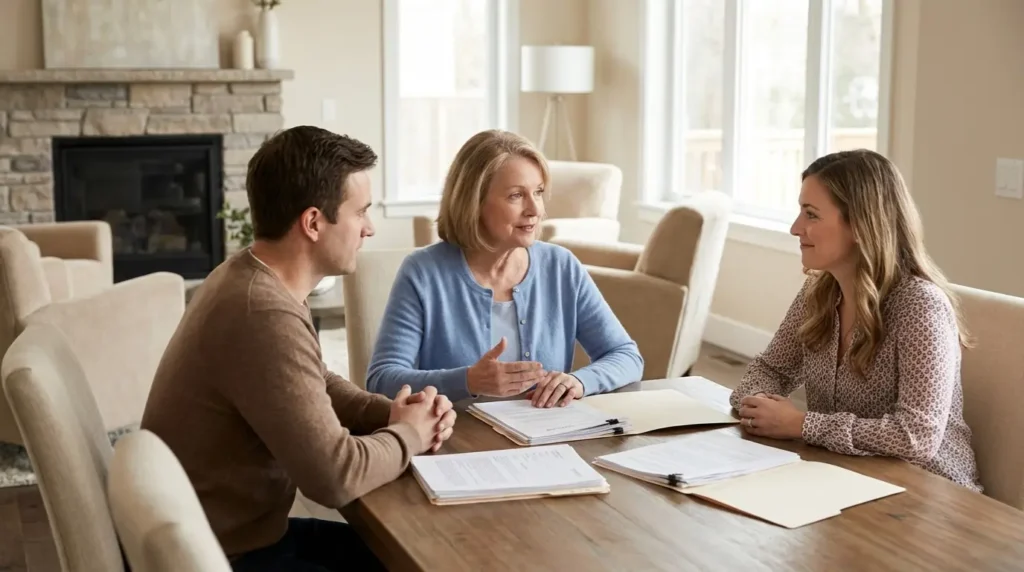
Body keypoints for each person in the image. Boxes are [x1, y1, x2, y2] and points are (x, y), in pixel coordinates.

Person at [141, 125, 457, 572]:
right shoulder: (262, 312)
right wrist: (411, 435)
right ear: (312, 223)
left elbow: (314, 380)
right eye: (360, 212)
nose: (369, 228)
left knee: (414, 554)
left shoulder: (250, 277)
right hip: (226, 557)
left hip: (238, 536)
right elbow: (334, 476)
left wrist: (387, 414)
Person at [730, 149, 981, 491]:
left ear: (862, 225)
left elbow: (915, 438)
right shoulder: (818, 292)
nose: (795, 228)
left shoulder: (920, 306)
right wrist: (761, 407)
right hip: (843, 476)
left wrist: (802, 425)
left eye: (811, 215)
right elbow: (769, 369)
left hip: (930, 493)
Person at [365, 129, 643, 407]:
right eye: (516, 196)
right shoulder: (423, 272)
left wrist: (581, 381)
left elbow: (625, 356)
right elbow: (383, 379)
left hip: (548, 440)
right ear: (474, 202)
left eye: (538, 192)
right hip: (456, 440)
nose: (535, 209)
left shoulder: (561, 266)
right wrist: (468, 380)